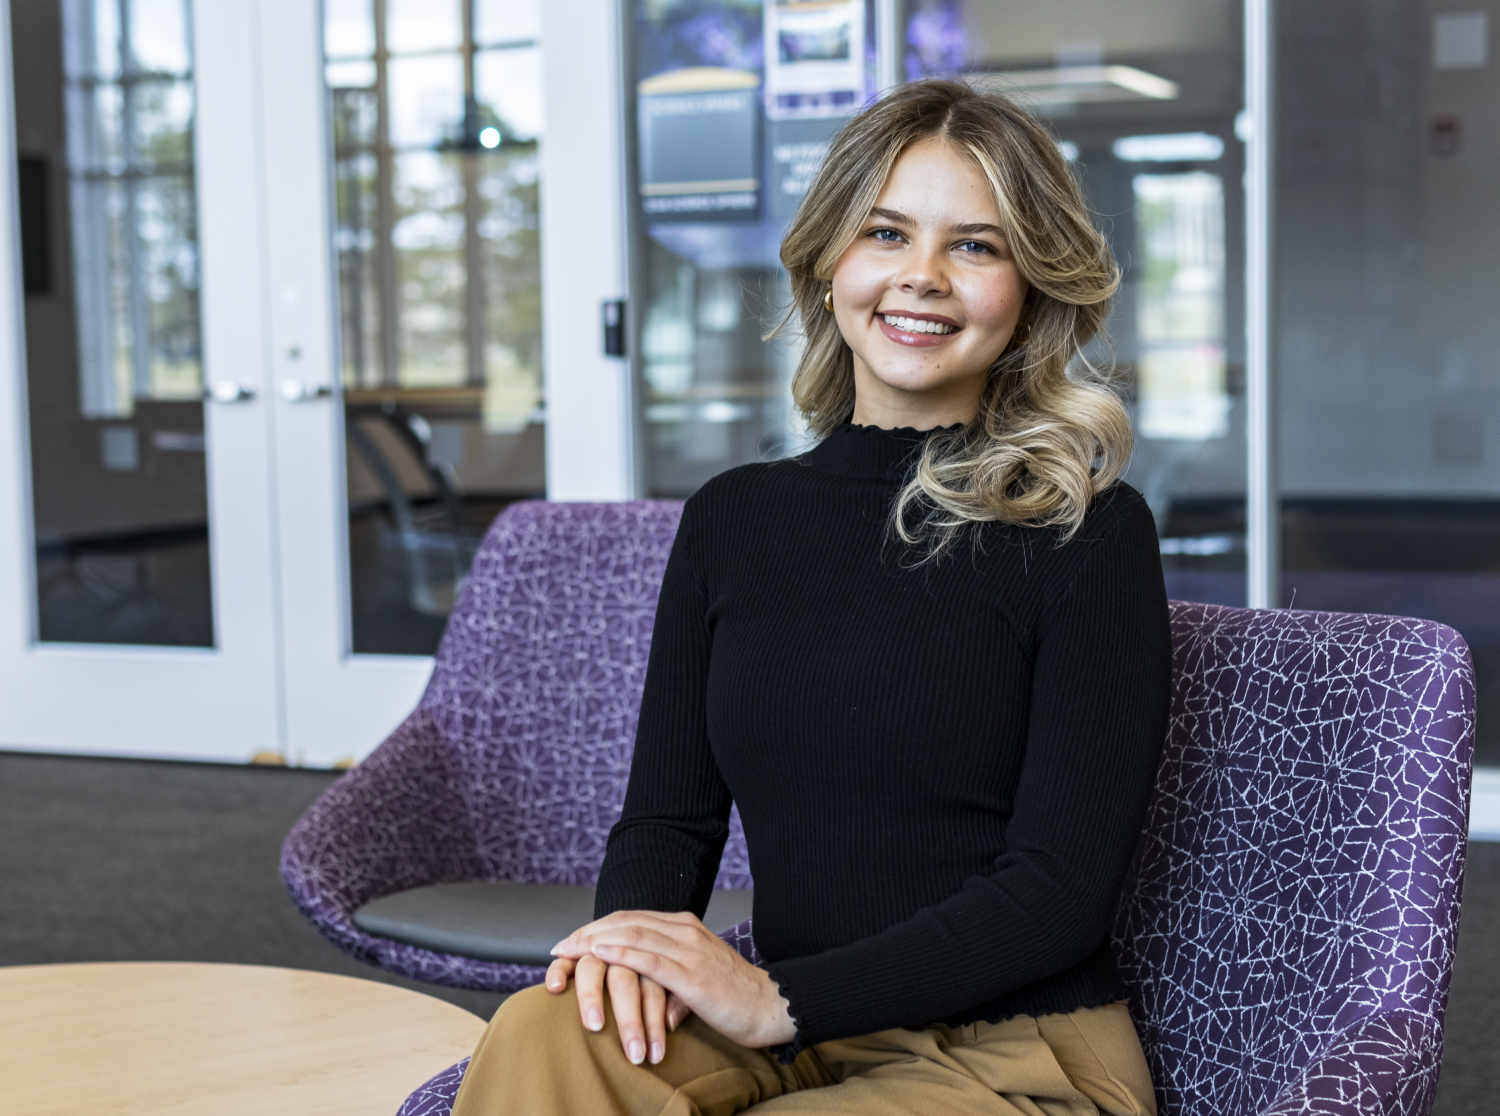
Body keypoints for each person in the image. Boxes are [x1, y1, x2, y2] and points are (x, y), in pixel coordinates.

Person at [451, 78, 1171, 1116]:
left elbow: (1057, 891)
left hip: (1018, 1052)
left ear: (1029, 291)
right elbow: (666, 821)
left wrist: (781, 997)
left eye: (975, 246)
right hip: (792, 1030)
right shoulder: (734, 518)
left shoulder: (1086, 530)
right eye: (887, 232)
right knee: (544, 1030)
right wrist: (629, 957)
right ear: (833, 258)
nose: (921, 278)